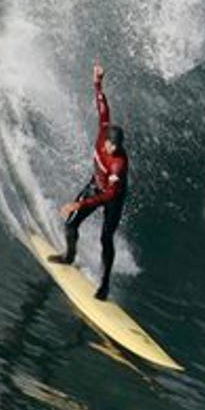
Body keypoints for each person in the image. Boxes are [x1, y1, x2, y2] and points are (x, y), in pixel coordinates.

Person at [50, 60, 128, 299]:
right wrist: (97, 82)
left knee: (106, 238)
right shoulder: (103, 131)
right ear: (106, 140)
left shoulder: (118, 164)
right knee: (71, 224)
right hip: (96, 184)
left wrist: (80, 203)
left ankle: (104, 284)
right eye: (112, 145)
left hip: (113, 197)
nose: (113, 149)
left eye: (117, 147)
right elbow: (102, 107)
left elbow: (110, 195)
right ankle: (69, 255)